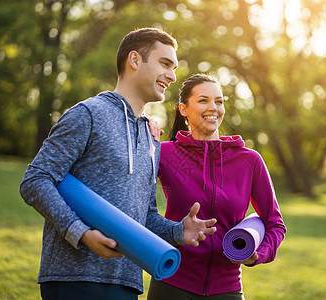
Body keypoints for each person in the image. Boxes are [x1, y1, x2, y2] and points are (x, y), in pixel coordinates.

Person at [19, 28, 217, 300]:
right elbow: (36, 180)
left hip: (127, 281)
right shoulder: (88, 114)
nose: (172, 76)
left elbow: (144, 215)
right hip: (74, 278)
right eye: (165, 64)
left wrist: (177, 231)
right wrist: (80, 232)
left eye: (174, 67)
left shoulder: (151, 138)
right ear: (134, 60)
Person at [147, 74, 286, 299]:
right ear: (183, 109)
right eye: (203, 100)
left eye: (219, 101)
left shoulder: (249, 160)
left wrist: (256, 255)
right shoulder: (165, 153)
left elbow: (275, 223)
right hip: (172, 280)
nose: (213, 107)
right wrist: (143, 125)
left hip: (227, 287)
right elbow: (126, 180)